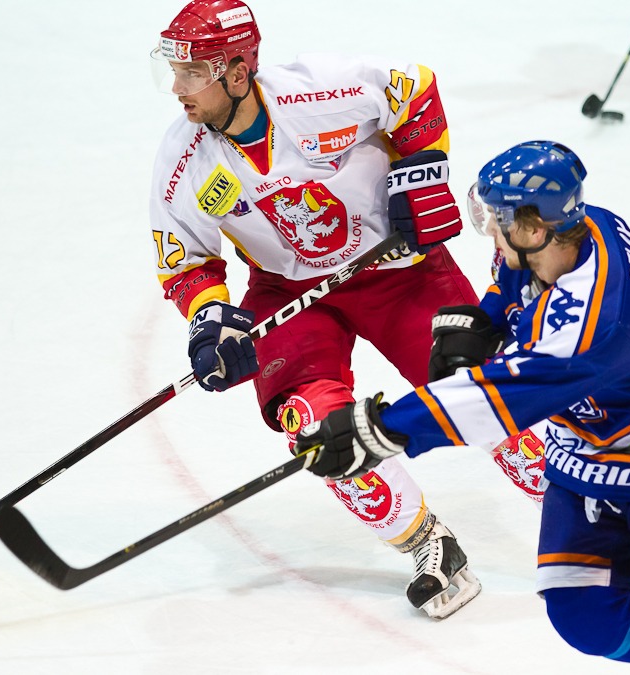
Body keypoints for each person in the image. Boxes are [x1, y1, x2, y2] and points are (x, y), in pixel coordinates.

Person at [295, 141, 630, 673]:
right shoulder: (583, 228)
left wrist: (380, 430)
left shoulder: (593, 325)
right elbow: (513, 279)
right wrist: (487, 320)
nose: (491, 231)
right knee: (586, 618)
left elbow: (496, 400)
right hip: (582, 453)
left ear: (534, 228)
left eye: (498, 219)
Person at [147, 0, 485, 619]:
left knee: (488, 396)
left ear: (237, 72)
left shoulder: (319, 91)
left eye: (193, 73)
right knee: (313, 427)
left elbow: (414, 88)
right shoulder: (183, 161)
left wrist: (420, 174)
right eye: (175, 72)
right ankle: (428, 545)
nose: (178, 89)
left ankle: (601, 517)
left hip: (398, 270)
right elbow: (187, 262)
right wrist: (212, 320)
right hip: (289, 292)